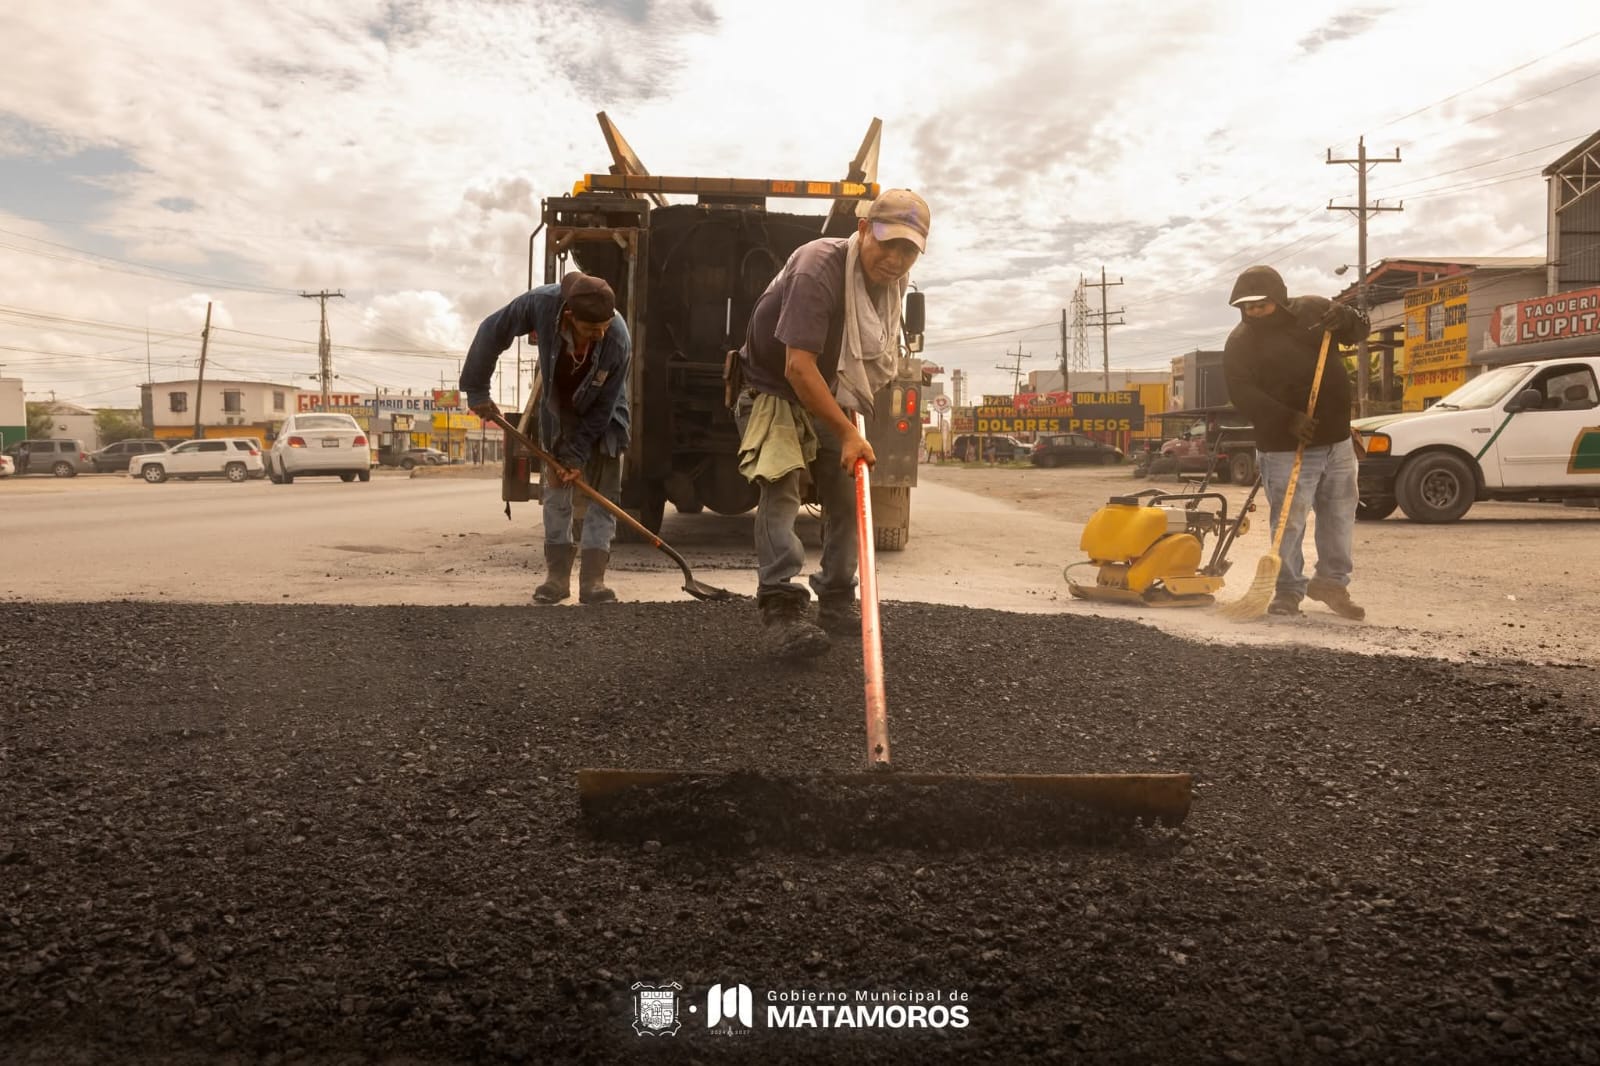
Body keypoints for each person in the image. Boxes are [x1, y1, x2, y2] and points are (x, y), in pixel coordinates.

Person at [731, 188, 930, 659]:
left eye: (909, 250)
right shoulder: (817, 267)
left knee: (849, 492)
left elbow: (867, 358)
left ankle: (837, 599)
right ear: (863, 230)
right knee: (781, 488)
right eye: (888, 243)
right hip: (771, 390)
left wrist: (849, 434)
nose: (896, 258)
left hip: (826, 392)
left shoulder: (889, 286)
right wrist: (846, 432)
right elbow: (797, 368)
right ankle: (781, 608)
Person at [460, 271, 631, 605]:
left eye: (604, 328)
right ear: (569, 316)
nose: (599, 335)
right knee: (556, 491)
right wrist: (477, 389)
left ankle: (593, 582)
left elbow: (603, 407)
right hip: (558, 411)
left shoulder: (617, 338)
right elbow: (491, 331)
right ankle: (556, 578)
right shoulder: (540, 303)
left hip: (605, 414)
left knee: (603, 493)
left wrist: (576, 455)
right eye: (590, 329)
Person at [1223, 265, 1369, 620]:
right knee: (1290, 520)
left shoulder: (1316, 311)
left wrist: (1347, 317)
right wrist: (1287, 418)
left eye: (1261, 304)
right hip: (1283, 445)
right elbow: (1242, 394)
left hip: (1336, 441)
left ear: (1278, 296)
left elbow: (1361, 330)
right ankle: (1288, 590)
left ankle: (1331, 583)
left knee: (1339, 515)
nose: (1254, 312)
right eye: (1247, 306)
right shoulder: (1241, 342)